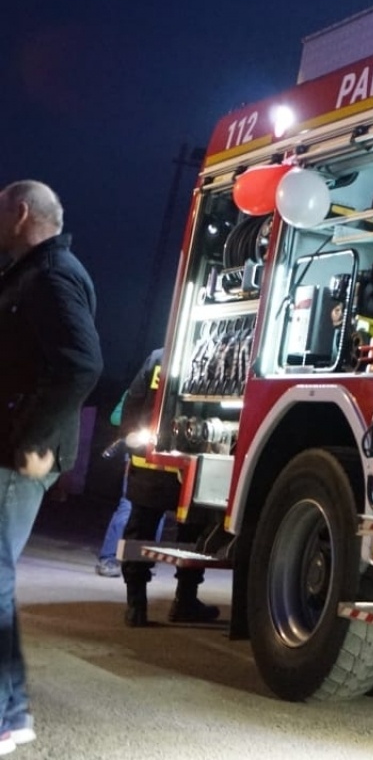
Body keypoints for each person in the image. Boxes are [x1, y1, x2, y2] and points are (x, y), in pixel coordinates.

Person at [0, 181, 103, 753]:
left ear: (20, 213)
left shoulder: (52, 275)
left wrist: (32, 439)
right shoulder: (32, 273)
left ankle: (8, 715)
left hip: (15, 461)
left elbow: (81, 364)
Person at [118, 346, 218, 627]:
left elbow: (132, 401)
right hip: (190, 471)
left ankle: (136, 605)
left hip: (154, 465)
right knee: (191, 538)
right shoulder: (215, 358)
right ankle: (184, 601)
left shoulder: (157, 357)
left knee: (141, 531)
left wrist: (131, 445)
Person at [94, 349, 164, 577]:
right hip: (142, 450)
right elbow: (118, 415)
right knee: (128, 505)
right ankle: (109, 557)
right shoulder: (157, 359)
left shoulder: (156, 359)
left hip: (164, 452)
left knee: (158, 510)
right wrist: (132, 434)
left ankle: (141, 562)